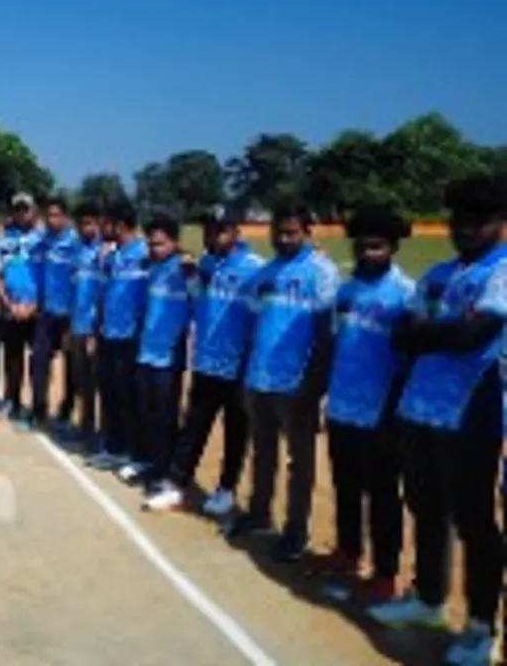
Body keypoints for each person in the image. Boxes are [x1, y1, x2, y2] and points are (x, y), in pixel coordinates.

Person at [368, 174, 507, 666]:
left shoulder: (502, 271)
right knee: (425, 508)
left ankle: (479, 628)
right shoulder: (437, 276)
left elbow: (475, 335)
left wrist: (432, 331)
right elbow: (402, 333)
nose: (466, 229)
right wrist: (438, 332)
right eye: (459, 220)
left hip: (471, 413)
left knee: (474, 522)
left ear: (500, 223)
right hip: (418, 407)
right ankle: (428, 599)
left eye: (479, 221)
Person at [298, 203, 413, 606]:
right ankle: (347, 552)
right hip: (343, 406)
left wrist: (395, 410)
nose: (367, 254)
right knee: (346, 486)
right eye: (362, 246)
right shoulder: (346, 291)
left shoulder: (405, 295)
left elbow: (410, 361)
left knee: (382, 495)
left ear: (393, 248)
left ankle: (385, 574)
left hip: (380, 412)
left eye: (377, 247)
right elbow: (331, 345)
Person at [225, 201, 339, 564]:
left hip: (296, 384)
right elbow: (254, 325)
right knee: (262, 451)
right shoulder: (266, 272)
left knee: (300, 461)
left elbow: (326, 335)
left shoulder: (321, 272)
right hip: (259, 378)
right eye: (279, 232)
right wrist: (246, 375)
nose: (283, 239)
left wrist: (314, 384)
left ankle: (295, 530)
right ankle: (259, 512)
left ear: (307, 232)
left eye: (292, 233)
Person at [144, 206, 263, 515]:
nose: (212, 237)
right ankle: (177, 485)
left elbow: (258, 318)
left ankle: (225, 490)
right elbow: (200, 303)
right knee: (193, 426)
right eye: (208, 230)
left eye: (220, 231)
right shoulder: (206, 263)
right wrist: (192, 278)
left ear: (236, 232)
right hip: (205, 361)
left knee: (235, 430)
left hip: (237, 365)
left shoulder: (254, 268)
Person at [126, 212, 191, 490]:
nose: (154, 249)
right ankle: (152, 462)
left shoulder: (185, 269)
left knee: (166, 415)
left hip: (169, 355)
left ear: (175, 243)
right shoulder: (151, 268)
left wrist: (190, 261)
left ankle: (165, 469)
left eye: (160, 244)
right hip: (146, 352)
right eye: (151, 244)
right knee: (147, 412)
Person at [87, 199, 148, 471]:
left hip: (130, 338)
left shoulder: (145, 254)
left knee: (129, 398)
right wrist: (94, 331)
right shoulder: (111, 256)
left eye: (106, 223)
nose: (102, 228)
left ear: (120, 225)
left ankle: (134, 451)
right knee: (109, 393)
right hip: (107, 335)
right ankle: (114, 447)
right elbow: (102, 297)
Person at [0, 192, 41, 428]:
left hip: (36, 310)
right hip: (10, 309)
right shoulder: (2, 239)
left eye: (26, 209)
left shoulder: (43, 239)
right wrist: (8, 304)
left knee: (37, 360)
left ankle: (37, 407)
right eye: (17, 209)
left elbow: (51, 275)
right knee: (12, 358)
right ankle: (13, 401)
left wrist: (34, 305)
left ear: (34, 211)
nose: (21, 213)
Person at [29, 197, 79, 431]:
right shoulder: (40, 241)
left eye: (57, 215)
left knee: (72, 366)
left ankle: (66, 410)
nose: (52, 220)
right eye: (49, 215)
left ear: (66, 218)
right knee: (39, 360)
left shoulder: (75, 243)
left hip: (69, 314)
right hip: (45, 312)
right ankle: (39, 410)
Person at [63, 200, 105, 447]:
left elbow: (104, 294)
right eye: (80, 223)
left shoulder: (105, 252)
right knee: (82, 381)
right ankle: (86, 427)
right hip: (77, 324)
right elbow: (73, 289)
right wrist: (70, 327)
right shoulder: (77, 250)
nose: (84, 228)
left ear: (98, 223)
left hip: (95, 328)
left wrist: (95, 332)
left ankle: (105, 434)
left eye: (89, 223)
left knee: (102, 383)